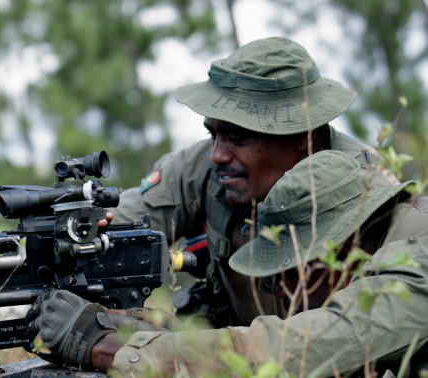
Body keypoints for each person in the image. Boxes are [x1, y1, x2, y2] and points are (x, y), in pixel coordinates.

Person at [25, 150, 428, 376]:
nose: (275, 291)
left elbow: (283, 353)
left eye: (287, 271)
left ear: (339, 250)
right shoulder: (392, 242)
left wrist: (104, 346)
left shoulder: (417, 268)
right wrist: (158, 334)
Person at [112, 36, 397, 327]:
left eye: (238, 137)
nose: (218, 155)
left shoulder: (368, 195)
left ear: (304, 136)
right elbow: (114, 229)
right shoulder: (204, 168)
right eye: (214, 134)